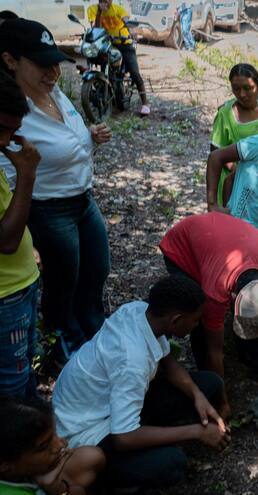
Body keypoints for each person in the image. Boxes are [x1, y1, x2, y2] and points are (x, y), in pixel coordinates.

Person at [0, 19, 113, 359]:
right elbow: (11, 175)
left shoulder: (55, 94)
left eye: (55, 63)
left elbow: (66, 146)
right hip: (48, 208)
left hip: (82, 199)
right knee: (64, 281)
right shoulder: (10, 114)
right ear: (10, 60)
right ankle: (67, 343)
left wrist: (88, 138)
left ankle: (95, 332)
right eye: (42, 64)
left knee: (96, 269)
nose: (53, 72)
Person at [52, 277, 231, 491]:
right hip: (87, 433)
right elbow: (123, 438)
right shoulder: (132, 362)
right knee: (171, 464)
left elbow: (167, 361)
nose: (197, 325)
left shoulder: (140, 311)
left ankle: (149, 430)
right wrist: (197, 432)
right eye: (195, 320)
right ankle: (108, 480)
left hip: (111, 403)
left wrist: (197, 396)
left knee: (209, 384)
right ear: (176, 320)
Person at [159, 213, 258, 385]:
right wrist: (220, 393)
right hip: (181, 245)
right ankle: (206, 378)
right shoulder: (214, 295)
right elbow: (215, 351)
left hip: (218, 237)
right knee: (197, 318)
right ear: (233, 298)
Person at [0, 73, 41, 399]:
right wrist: (27, 176)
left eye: (13, 132)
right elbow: (6, 241)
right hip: (6, 296)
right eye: (1, 129)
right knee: (11, 387)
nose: (5, 141)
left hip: (21, 286)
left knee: (25, 369)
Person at [0, 396, 105, 495]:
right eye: (44, 446)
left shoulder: (22, 470)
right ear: (4, 465)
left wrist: (56, 487)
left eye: (55, 435)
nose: (61, 444)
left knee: (90, 457)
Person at [211, 64, 258, 208]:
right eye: (236, 88)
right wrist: (236, 169)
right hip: (231, 186)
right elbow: (215, 151)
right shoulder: (225, 115)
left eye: (248, 88)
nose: (241, 94)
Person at [87, 0, 150, 115]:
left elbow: (127, 21)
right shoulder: (92, 9)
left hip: (124, 43)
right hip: (107, 45)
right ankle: (106, 96)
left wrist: (131, 30)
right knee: (103, 68)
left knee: (134, 72)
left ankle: (145, 103)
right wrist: (99, 12)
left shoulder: (118, 9)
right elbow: (96, 29)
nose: (105, 2)